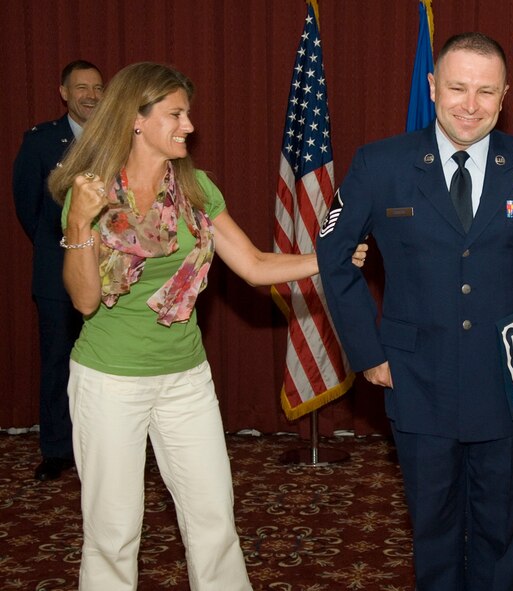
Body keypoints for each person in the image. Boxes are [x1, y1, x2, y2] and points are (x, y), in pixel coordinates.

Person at [47, 62, 366, 590]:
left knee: (214, 515)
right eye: (175, 114)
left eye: (187, 113)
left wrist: (327, 259)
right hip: (109, 381)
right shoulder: (92, 193)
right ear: (136, 119)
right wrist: (80, 223)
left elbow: (256, 265)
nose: (188, 125)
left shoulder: (196, 188)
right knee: (113, 530)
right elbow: (83, 301)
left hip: (185, 379)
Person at [317, 32, 513, 591]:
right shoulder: (380, 163)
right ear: (433, 86)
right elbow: (334, 255)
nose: (470, 104)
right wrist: (367, 352)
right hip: (418, 377)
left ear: (506, 95)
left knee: (503, 531)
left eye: (486, 92)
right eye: (458, 87)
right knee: (433, 530)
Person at [13, 60, 104, 481]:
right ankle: (56, 448)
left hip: (112, 272)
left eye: (98, 87)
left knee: (108, 363)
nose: (91, 94)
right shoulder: (40, 142)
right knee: (57, 362)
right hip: (55, 273)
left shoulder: (118, 136)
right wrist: (61, 249)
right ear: (63, 92)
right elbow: (29, 210)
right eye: (81, 87)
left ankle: (105, 443)